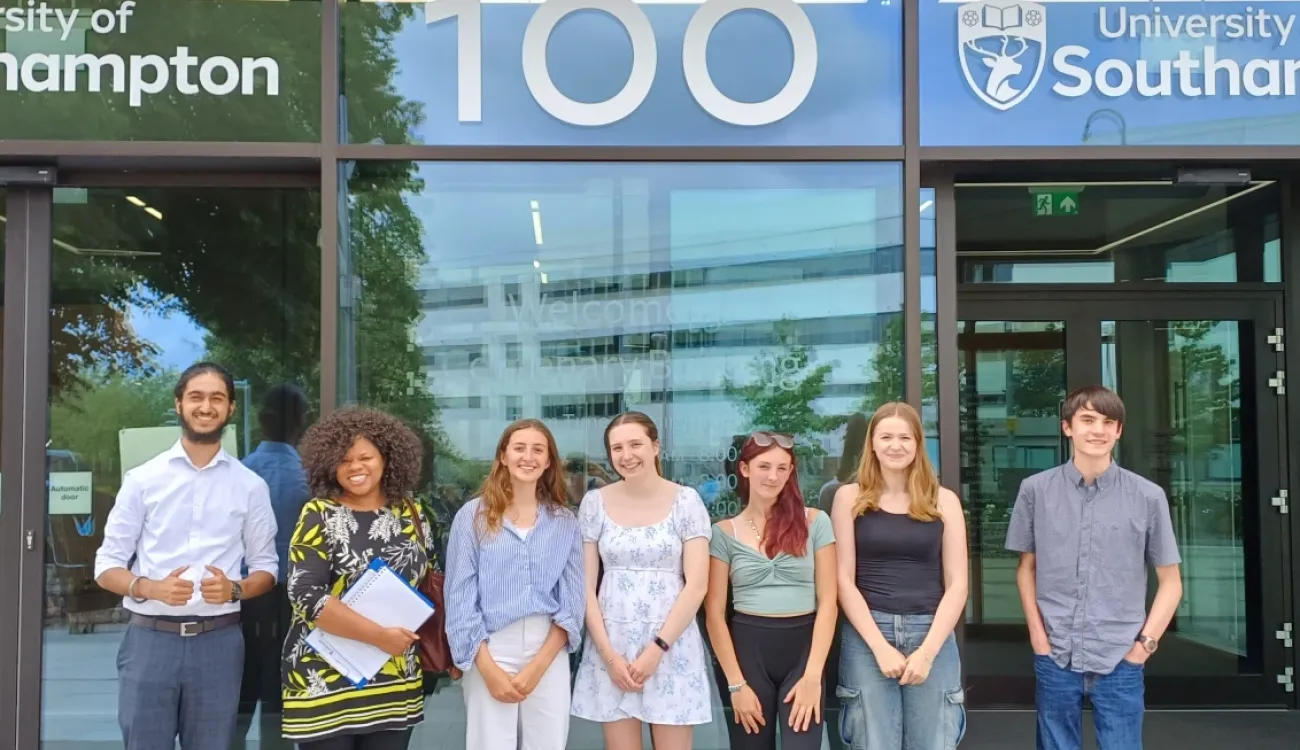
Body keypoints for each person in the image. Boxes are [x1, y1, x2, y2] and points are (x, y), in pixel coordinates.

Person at [93, 362, 279, 750]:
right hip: (149, 641)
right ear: (179, 404)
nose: (206, 406)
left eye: (217, 398)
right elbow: (106, 566)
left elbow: (267, 568)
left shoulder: (250, 486)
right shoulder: (143, 480)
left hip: (220, 643)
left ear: (230, 408)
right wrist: (150, 587)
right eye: (196, 396)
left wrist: (235, 589)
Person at [1006, 385, 1183, 750]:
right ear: (1067, 427)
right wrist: (1038, 638)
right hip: (1056, 652)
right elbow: (1026, 569)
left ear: (1118, 431)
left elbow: (1170, 582)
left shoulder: (1148, 496)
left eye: (1108, 422)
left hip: (1121, 657)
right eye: (1087, 420)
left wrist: (1143, 647)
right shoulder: (1035, 490)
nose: (1098, 430)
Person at [279, 407, 431, 749]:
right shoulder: (318, 513)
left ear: (387, 459)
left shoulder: (412, 513)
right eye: (344, 460)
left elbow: (424, 580)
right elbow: (304, 595)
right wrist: (379, 635)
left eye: (365, 457)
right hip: (325, 682)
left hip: (394, 681)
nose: (355, 467)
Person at [571, 411, 713, 750]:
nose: (626, 455)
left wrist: (657, 649)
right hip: (612, 647)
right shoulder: (594, 503)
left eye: (635, 444)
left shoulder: (686, 501)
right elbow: (585, 587)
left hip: (671, 645)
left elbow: (697, 585)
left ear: (655, 447)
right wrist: (609, 656)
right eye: (617, 448)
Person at [832, 402, 968, 750]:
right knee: (873, 742)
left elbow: (957, 583)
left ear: (918, 443)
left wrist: (927, 652)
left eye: (905, 437)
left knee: (934, 742)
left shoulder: (944, 501)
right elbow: (843, 579)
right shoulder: (849, 498)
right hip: (867, 635)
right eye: (886, 436)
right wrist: (879, 647)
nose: (896, 445)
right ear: (872, 444)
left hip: (931, 632)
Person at [444, 418, 585, 750]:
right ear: (503, 456)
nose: (528, 457)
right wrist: (487, 668)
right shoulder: (472, 516)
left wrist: (538, 666)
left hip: (547, 647)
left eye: (539, 450)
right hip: (489, 645)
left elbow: (573, 601)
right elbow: (460, 595)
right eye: (519, 448)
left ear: (549, 461)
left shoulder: (564, 521)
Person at [704, 431, 837, 750]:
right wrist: (736, 685)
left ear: (791, 471)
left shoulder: (816, 522)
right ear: (745, 469)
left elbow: (829, 602)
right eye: (764, 466)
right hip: (747, 653)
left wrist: (813, 676)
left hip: (804, 650)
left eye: (782, 467)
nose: (773, 475)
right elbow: (714, 613)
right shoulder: (723, 533)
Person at [237, 383, 312, 750]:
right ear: (302, 422)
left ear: (261, 420)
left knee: (243, 681)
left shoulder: (239, 472)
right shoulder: (309, 477)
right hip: (293, 596)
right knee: (282, 685)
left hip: (246, 593)